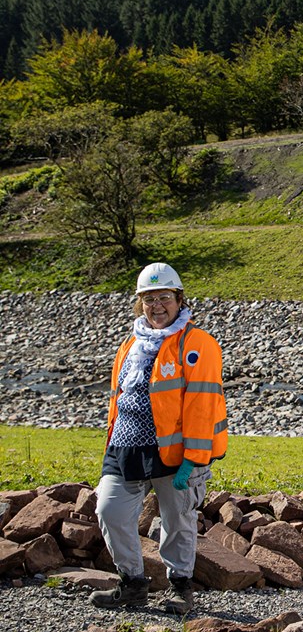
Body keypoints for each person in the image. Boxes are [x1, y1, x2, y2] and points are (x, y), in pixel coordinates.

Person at [91, 263, 227, 614]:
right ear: (140, 304)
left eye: (164, 297)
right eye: (149, 299)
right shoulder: (130, 344)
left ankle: (181, 588)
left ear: (179, 300)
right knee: (109, 509)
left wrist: (194, 460)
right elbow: (118, 398)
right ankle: (133, 583)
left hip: (175, 452)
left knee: (177, 520)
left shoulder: (197, 343)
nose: (157, 306)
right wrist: (110, 443)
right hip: (125, 446)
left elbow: (202, 404)